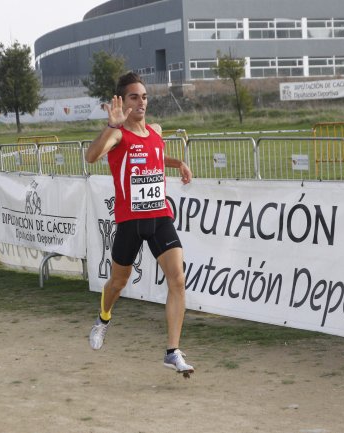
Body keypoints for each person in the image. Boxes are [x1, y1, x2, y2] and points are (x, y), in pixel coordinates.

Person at [85, 72, 194, 375]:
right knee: (118, 282)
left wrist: (179, 164)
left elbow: (154, 155)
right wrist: (111, 125)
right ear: (121, 101)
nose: (141, 102)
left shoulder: (156, 130)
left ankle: (172, 351)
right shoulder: (118, 134)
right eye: (134, 97)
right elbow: (91, 156)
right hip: (130, 221)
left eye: (144, 96)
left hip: (159, 216)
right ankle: (103, 318)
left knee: (178, 279)